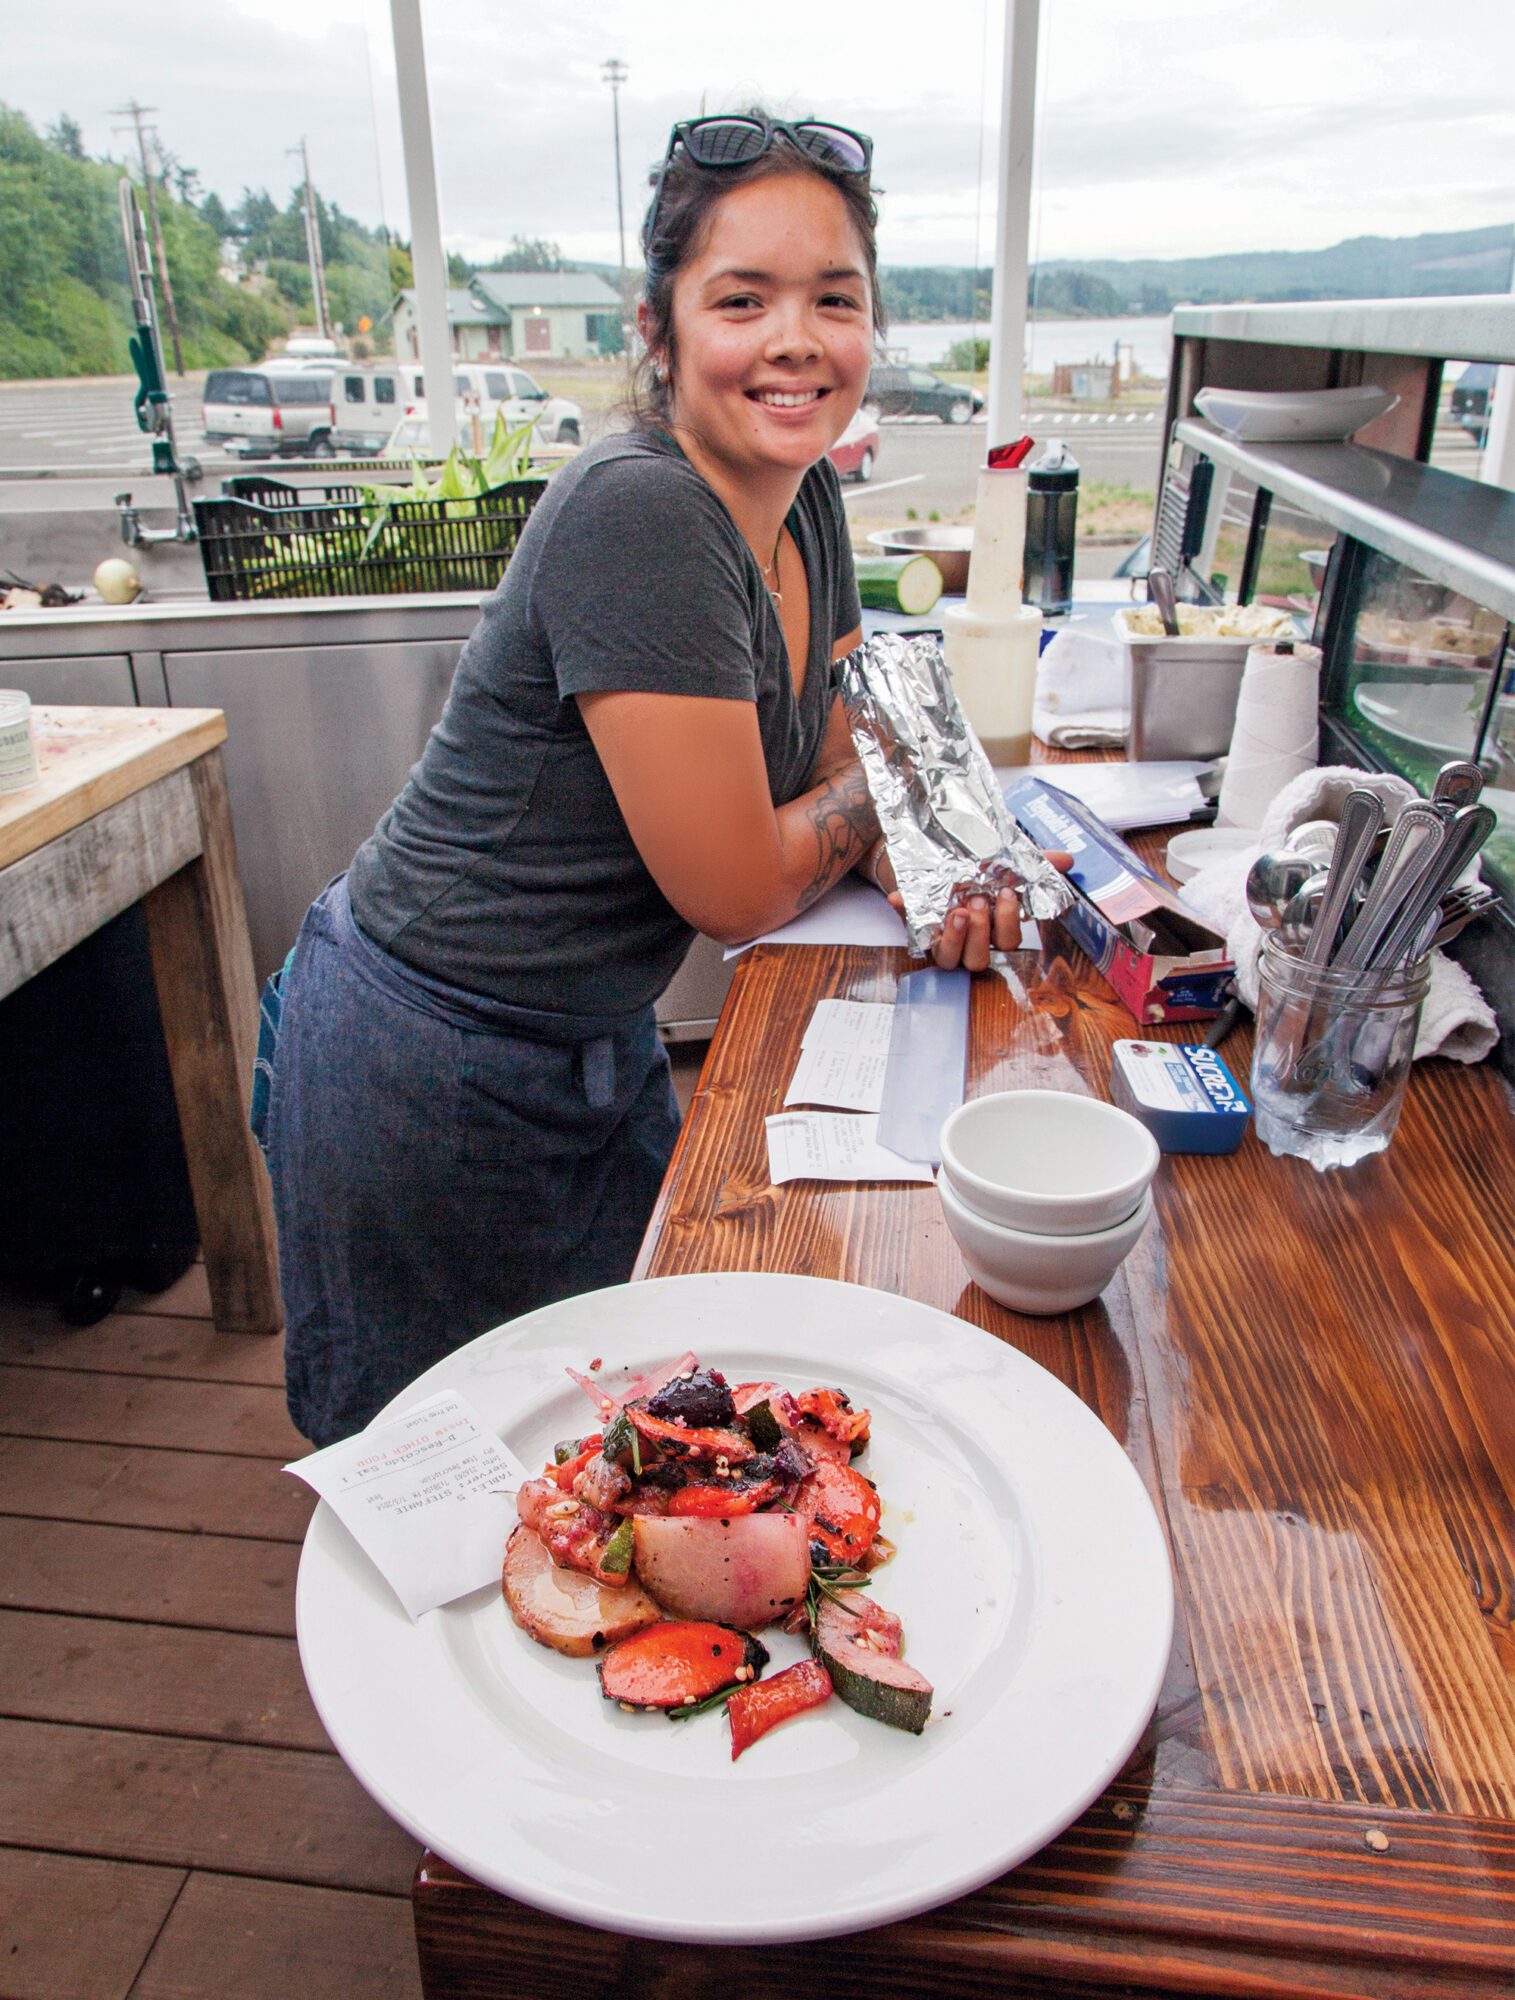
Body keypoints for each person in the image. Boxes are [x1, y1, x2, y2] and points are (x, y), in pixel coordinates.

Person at [262, 112, 1034, 1447]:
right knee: (435, 1471)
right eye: (742, 300)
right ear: (659, 331)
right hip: (433, 1059)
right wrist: (895, 803)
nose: (796, 339)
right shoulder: (643, 511)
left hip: (591, 1036)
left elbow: (840, 740)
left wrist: (926, 849)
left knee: (616, 1433)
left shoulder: (804, 493)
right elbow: (739, 885)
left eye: (834, 299)